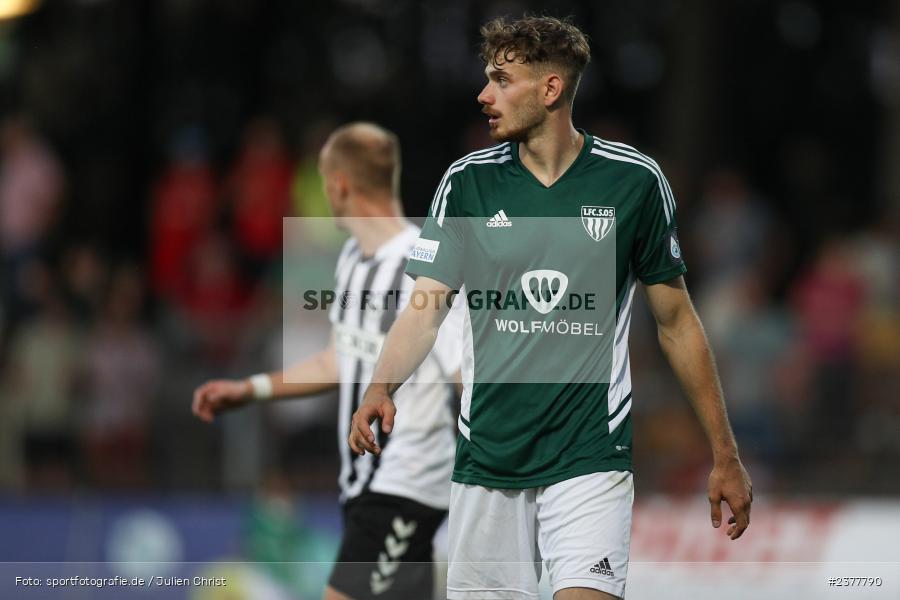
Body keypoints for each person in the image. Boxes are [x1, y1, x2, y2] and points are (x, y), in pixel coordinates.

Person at [349, 16, 753, 600]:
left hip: (590, 454)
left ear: (550, 89)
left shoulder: (633, 182)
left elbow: (676, 323)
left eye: (501, 79)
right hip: (487, 458)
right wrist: (381, 386)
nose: (483, 96)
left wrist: (725, 454)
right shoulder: (466, 184)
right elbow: (423, 309)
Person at [192, 122, 462, 600]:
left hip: (407, 483)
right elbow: (340, 361)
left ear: (340, 184)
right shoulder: (354, 262)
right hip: (366, 485)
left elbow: (464, 371)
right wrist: (251, 389)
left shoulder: (422, 261)